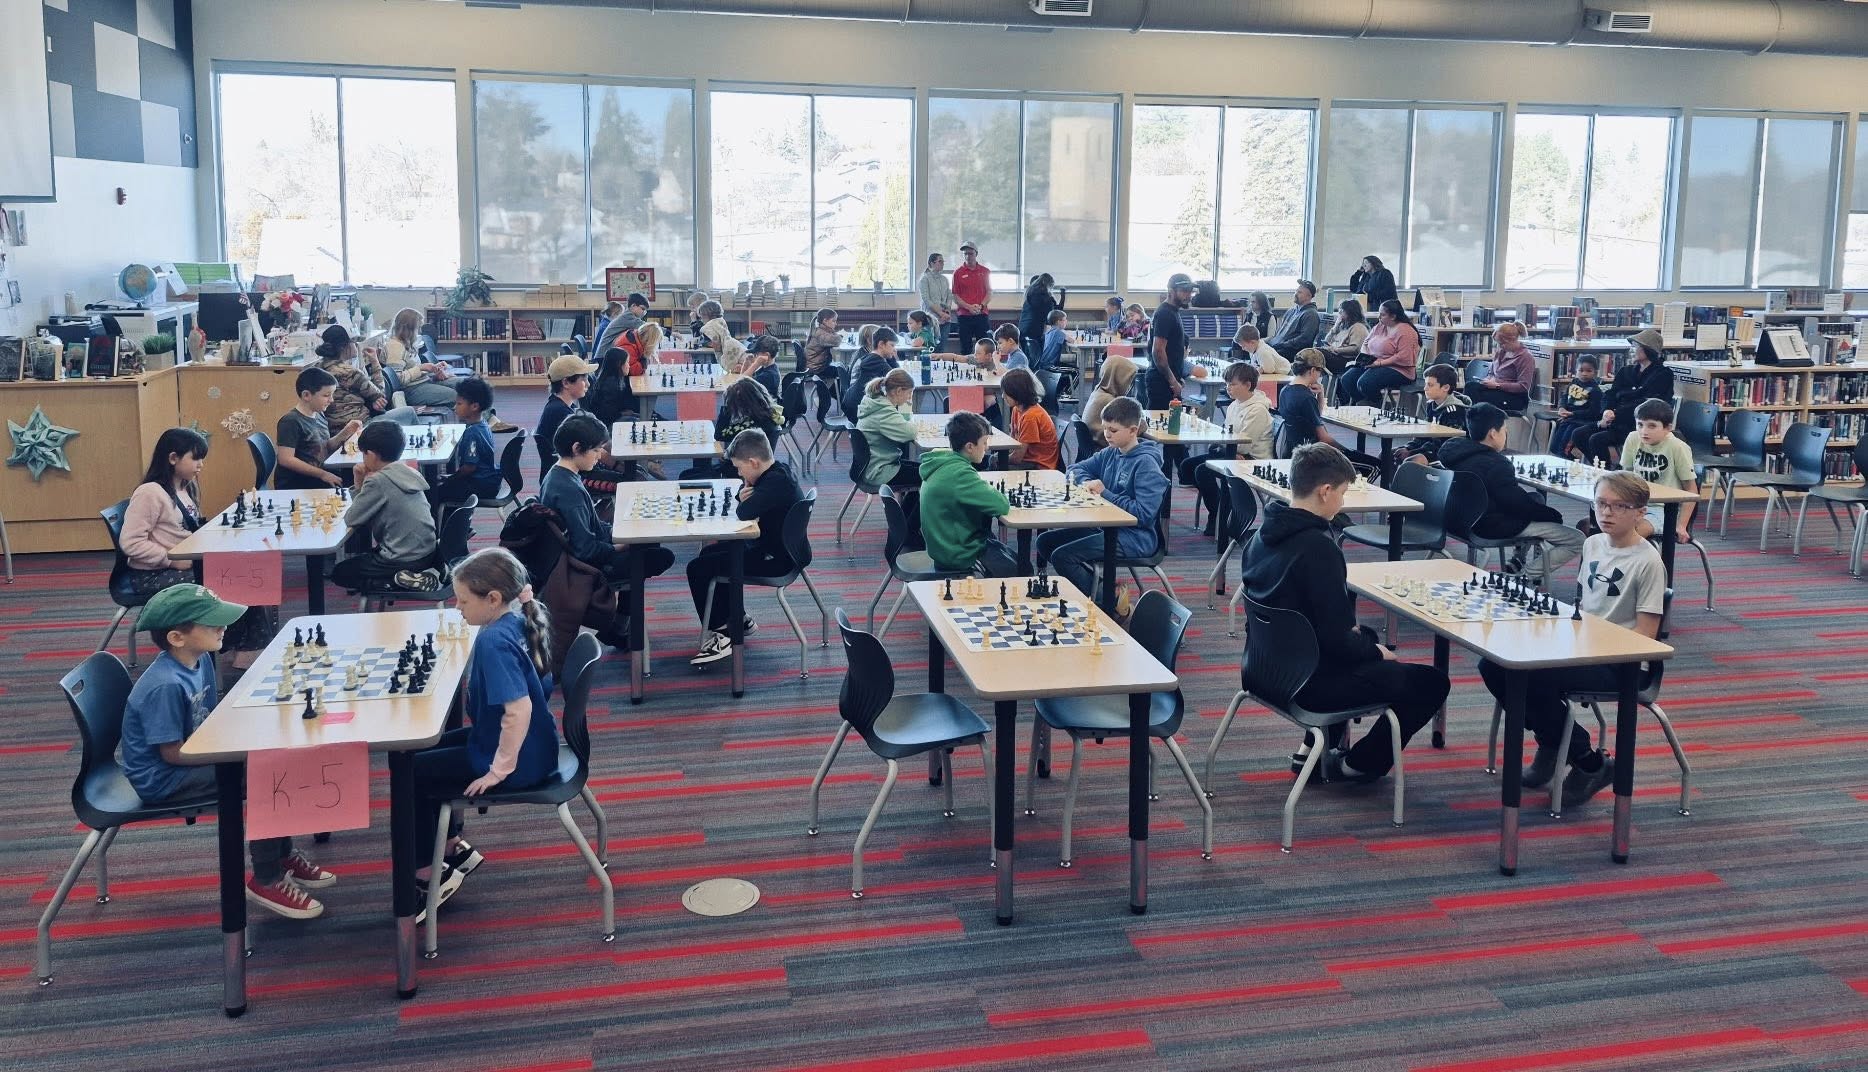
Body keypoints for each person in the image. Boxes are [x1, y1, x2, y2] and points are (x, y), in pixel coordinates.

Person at [120, 583, 337, 918]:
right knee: (267, 777)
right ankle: (266, 878)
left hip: (190, 757)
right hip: (163, 779)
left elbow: (208, 720)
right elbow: (171, 754)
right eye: (212, 624)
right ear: (177, 637)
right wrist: (237, 755)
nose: (223, 627)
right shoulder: (165, 686)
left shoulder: (201, 660)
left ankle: (282, 855)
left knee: (273, 760)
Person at [1240, 443, 1450, 782]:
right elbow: (1338, 643)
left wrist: (1364, 642)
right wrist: (1376, 651)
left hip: (1262, 668)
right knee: (1431, 682)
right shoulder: (1318, 549)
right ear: (1325, 491)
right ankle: (1360, 764)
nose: (1342, 502)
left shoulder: (1260, 537)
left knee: (1362, 639)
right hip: (1305, 684)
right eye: (1342, 492)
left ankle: (1314, 749)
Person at [1478, 472, 1663, 807]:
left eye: (1619, 506)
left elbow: (1646, 637)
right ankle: (1554, 741)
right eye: (1601, 504)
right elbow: (1585, 608)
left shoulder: (1648, 562)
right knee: (1492, 664)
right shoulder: (1592, 544)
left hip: (1622, 663)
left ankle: (1587, 762)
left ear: (1640, 512)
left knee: (1533, 675)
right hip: (1582, 646)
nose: (1606, 513)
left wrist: (1589, 647)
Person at [411, 547, 562, 912]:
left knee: (409, 772)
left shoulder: (493, 641)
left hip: (519, 760)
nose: (457, 607)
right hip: (538, 745)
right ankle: (451, 847)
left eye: (463, 601)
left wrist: (498, 771)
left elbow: (519, 709)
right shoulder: (521, 618)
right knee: (419, 752)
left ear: (493, 599)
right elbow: (543, 687)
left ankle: (428, 875)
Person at [120, 427, 275, 660]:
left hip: (189, 562)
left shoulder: (185, 487)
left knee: (254, 575)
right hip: (152, 574)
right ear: (173, 458)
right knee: (236, 582)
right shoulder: (150, 493)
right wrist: (170, 561)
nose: (201, 465)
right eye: (195, 459)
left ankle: (249, 650)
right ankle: (242, 651)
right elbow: (130, 543)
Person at [686, 429, 804, 667]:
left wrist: (742, 497)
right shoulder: (778, 472)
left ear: (753, 462)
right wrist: (746, 494)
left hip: (777, 561)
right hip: (779, 549)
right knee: (708, 555)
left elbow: (744, 512)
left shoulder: (774, 484)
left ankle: (721, 634)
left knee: (697, 569)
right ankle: (737, 618)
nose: (739, 473)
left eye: (740, 468)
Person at [1438, 403, 1585, 580]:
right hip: (1487, 527)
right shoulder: (1496, 464)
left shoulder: (1452, 453)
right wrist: (1552, 515)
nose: (1506, 435)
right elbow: (1516, 504)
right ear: (1493, 433)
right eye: (1504, 430)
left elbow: (1513, 499)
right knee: (1577, 539)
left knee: (1536, 498)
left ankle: (1517, 560)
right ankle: (1523, 578)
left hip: (1455, 521)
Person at [1039, 398, 1166, 599]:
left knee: (1063, 557)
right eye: (1105, 428)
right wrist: (1087, 481)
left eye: (1113, 430)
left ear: (1133, 430)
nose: (1106, 434)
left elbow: (1143, 514)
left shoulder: (1146, 464)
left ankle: (1109, 601)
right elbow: (1075, 468)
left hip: (1135, 537)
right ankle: (1105, 589)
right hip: (1105, 526)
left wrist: (1104, 493)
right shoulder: (1110, 452)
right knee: (1045, 542)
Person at [541, 413, 674, 584]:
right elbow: (585, 550)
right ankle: (627, 599)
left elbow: (592, 525)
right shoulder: (570, 493)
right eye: (596, 450)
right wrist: (618, 547)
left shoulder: (558, 474)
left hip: (580, 551)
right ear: (577, 448)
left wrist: (615, 532)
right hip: (587, 566)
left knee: (649, 542)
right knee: (661, 556)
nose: (599, 457)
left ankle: (626, 598)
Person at [330, 421, 441, 593]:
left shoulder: (378, 481)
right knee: (367, 558)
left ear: (371, 455)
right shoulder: (409, 471)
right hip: (428, 553)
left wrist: (358, 482)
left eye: (363, 453)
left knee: (340, 572)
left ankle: (393, 582)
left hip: (401, 558)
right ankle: (420, 575)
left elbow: (352, 518)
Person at [1179, 362, 1274, 535]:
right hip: (1232, 453)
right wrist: (1222, 447)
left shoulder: (1258, 410)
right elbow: (1226, 435)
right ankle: (1220, 507)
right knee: (1187, 466)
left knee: (1203, 471)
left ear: (1248, 385)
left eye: (1233, 384)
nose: (1228, 388)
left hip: (1252, 459)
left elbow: (1243, 446)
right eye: (1227, 384)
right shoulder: (1234, 405)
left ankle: (1219, 515)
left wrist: (1222, 447)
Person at [920, 411, 1017, 577]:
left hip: (942, 547)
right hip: (958, 554)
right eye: (984, 442)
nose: (987, 448)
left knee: (1009, 556)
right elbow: (1001, 505)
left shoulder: (943, 462)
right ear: (970, 447)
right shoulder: (960, 474)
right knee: (1021, 569)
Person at [1276, 352, 1380, 469]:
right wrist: (1346, 451)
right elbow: (1324, 438)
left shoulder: (1285, 390)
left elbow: (1316, 418)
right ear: (1312, 370)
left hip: (1293, 452)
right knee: (1375, 465)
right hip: (1312, 456)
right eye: (1320, 372)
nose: (1320, 376)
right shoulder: (1306, 398)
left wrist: (1320, 395)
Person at [1585, 329, 1675, 465]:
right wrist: (1606, 410)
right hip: (1613, 421)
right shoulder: (1625, 371)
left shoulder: (1663, 374)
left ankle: (1607, 472)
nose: (1631, 350)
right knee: (1579, 434)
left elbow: (1647, 404)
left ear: (1648, 349)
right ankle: (1601, 468)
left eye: (1635, 346)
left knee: (1596, 439)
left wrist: (1614, 414)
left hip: (1637, 425)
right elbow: (1610, 394)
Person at [1619, 399, 1699, 544]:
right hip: (1635, 504)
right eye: (1640, 425)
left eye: (1652, 426)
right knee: (1591, 526)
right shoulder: (1633, 438)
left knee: (1628, 536)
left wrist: (1681, 525)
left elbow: (1691, 489)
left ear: (1668, 428)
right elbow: (1626, 476)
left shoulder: (1678, 447)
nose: (1644, 431)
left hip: (1664, 509)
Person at [275, 367, 361, 490]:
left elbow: (325, 447)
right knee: (353, 483)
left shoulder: (319, 414)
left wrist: (346, 431)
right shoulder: (290, 421)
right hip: (301, 482)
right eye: (326, 395)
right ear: (306, 395)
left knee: (359, 474)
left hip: (320, 474)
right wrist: (323, 474)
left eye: (332, 395)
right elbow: (285, 459)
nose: (331, 400)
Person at [428, 378, 502, 507]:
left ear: (474, 406)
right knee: (443, 487)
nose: (454, 407)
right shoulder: (483, 424)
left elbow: (470, 467)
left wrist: (451, 478)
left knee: (434, 493)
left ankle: (446, 520)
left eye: (459, 404)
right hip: (489, 481)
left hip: (480, 485)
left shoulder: (472, 433)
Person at [317, 325, 408, 429]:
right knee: (409, 412)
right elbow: (382, 396)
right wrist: (375, 362)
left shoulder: (317, 369)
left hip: (335, 430)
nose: (357, 345)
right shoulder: (350, 372)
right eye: (354, 342)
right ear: (343, 347)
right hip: (362, 426)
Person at [693, 377, 784, 479]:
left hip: (738, 471)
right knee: (695, 469)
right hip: (745, 467)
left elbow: (719, 434)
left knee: (690, 473)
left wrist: (726, 407)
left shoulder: (752, 426)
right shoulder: (765, 416)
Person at [1337, 299, 1421, 406]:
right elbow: (1365, 343)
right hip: (1375, 363)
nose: (1379, 317)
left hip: (1399, 369)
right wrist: (1366, 357)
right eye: (1379, 314)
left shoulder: (1406, 331)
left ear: (1393, 316)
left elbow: (1403, 357)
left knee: (1365, 383)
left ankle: (1379, 406)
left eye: (1382, 315)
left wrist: (1379, 363)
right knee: (1347, 379)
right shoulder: (1380, 326)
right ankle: (1364, 405)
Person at [587, 321, 664, 426]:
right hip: (611, 422)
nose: (629, 365)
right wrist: (621, 413)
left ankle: (652, 415)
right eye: (627, 363)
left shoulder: (613, 380)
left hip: (618, 411)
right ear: (619, 364)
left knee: (651, 415)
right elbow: (606, 412)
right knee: (648, 418)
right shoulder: (612, 385)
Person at [857, 368, 921, 489]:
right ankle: (909, 502)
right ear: (899, 391)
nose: (909, 398)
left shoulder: (875, 401)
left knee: (924, 469)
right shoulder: (884, 411)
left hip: (873, 465)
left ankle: (907, 502)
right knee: (928, 475)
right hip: (880, 471)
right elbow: (910, 433)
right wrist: (909, 415)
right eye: (909, 393)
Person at [1397, 363, 1470, 466]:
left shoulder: (1454, 411)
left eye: (1430, 385)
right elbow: (1425, 435)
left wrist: (1412, 452)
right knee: (1390, 454)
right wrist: (1408, 447)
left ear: (1445, 387)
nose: (1425, 388)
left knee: (1413, 461)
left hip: (1448, 454)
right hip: (1432, 448)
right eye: (1426, 384)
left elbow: (1447, 444)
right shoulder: (1431, 405)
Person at [536, 354, 597, 476]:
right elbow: (587, 449)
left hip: (571, 471)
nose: (588, 384)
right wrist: (616, 464)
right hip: (568, 476)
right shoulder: (560, 413)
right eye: (583, 379)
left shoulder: (565, 406)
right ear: (566, 383)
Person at [385, 307, 457, 407]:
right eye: (417, 328)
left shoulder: (406, 343)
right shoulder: (394, 347)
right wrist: (421, 368)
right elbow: (398, 380)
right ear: (408, 329)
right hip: (411, 390)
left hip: (423, 382)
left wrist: (433, 370)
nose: (419, 332)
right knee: (456, 396)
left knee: (463, 386)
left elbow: (414, 370)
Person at [1147, 273, 1196, 410]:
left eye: (1190, 291)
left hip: (1166, 379)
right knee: (1160, 421)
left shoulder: (1172, 312)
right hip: (1161, 382)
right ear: (1171, 291)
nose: (1188, 295)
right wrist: (1173, 382)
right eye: (1184, 291)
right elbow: (1158, 351)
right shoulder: (1165, 314)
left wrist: (1177, 378)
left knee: (1170, 421)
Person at [1466, 322, 1535, 411]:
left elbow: (1523, 387)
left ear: (1511, 340)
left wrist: (1498, 385)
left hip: (1514, 397)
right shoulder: (1501, 352)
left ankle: (1472, 416)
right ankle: (1469, 416)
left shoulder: (1525, 357)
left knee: (1478, 397)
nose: (1500, 346)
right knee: (1470, 386)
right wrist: (1488, 379)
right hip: (1497, 390)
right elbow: (1491, 372)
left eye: (1502, 343)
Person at [842, 326, 902, 423]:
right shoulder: (878, 363)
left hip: (853, 405)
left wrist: (891, 359)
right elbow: (899, 379)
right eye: (892, 345)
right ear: (881, 344)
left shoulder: (869, 357)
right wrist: (893, 360)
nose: (895, 350)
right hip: (859, 411)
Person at [1003, 368, 1059, 471]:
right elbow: (1013, 443)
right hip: (1027, 459)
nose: (1003, 396)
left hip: (1038, 466)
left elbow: (1017, 458)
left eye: (1007, 393)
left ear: (1017, 393)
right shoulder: (1016, 409)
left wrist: (999, 459)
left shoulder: (1030, 417)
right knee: (993, 459)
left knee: (995, 463)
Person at [1550, 356, 1604, 460]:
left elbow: (1594, 412)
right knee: (1554, 447)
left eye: (1589, 371)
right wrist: (1561, 408)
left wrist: (1573, 414)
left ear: (1595, 373)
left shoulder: (1595, 390)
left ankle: (1571, 465)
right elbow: (1565, 397)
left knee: (1563, 450)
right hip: (1568, 419)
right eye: (1581, 370)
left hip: (1580, 423)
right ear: (1576, 370)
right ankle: (1573, 462)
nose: (1584, 373)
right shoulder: (1574, 382)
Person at [1083, 352, 1138, 444]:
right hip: (1106, 446)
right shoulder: (1110, 402)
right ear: (1119, 379)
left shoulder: (1098, 393)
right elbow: (1137, 427)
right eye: (1128, 380)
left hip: (1094, 444)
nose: (1129, 386)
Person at [951, 242, 993, 353]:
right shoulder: (957, 273)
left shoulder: (985, 271)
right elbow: (955, 296)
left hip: (981, 314)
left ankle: (984, 365)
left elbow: (989, 292)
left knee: (985, 347)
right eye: (965, 254)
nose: (968, 256)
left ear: (976, 254)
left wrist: (981, 306)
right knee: (965, 347)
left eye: (970, 253)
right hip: (964, 315)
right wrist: (968, 307)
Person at [1265, 279, 1321, 360]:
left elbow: (1304, 340)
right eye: (1296, 291)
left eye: (1300, 292)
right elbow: (1280, 333)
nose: (1295, 294)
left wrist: (1282, 345)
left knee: (1265, 355)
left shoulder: (1311, 314)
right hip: (1277, 347)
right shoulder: (1292, 311)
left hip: (1291, 352)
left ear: (1308, 296)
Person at [592, 292, 650, 362]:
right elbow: (649, 328)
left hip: (605, 354)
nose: (644, 312)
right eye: (643, 309)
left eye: (646, 310)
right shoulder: (628, 317)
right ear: (633, 305)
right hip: (604, 356)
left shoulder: (629, 316)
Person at [1018, 272, 1060, 368]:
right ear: (1049, 285)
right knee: (1038, 361)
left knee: (1028, 361)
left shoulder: (1029, 294)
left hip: (1022, 330)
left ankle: (1028, 376)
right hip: (1035, 332)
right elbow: (1048, 320)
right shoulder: (1046, 298)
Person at [1318, 299, 1369, 377]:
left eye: (1342, 311)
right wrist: (1335, 327)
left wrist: (1336, 350)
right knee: (1313, 354)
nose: (1339, 314)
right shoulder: (1343, 326)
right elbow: (1327, 340)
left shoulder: (1358, 327)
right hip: (1336, 356)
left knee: (1317, 353)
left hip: (1347, 360)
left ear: (1350, 313)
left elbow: (1355, 349)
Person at [696, 300, 746, 375]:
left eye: (701, 317)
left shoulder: (729, 345)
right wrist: (718, 351)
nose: (710, 344)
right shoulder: (726, 341)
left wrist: (718, 351)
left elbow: (728, 368)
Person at [918, 252, 955, 337]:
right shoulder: (924, 279)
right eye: (940, 261)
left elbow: (949, 296)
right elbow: (926, 299)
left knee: (943, 345)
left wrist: (946, 312)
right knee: (931, 344)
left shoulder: (944, 279)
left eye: (943, 262)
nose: (943, 264)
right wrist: (940, 313)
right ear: (932, 263)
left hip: (945, 318)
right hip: (931, 319)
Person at [743, 333, 783, 399]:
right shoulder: (767, 368)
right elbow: (742, 380)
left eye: (756, 354)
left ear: (766, 355)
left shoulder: (768, 375)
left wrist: (756, 364)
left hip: (763, 404)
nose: (754, 356)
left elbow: (742, 383)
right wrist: (746, 364)